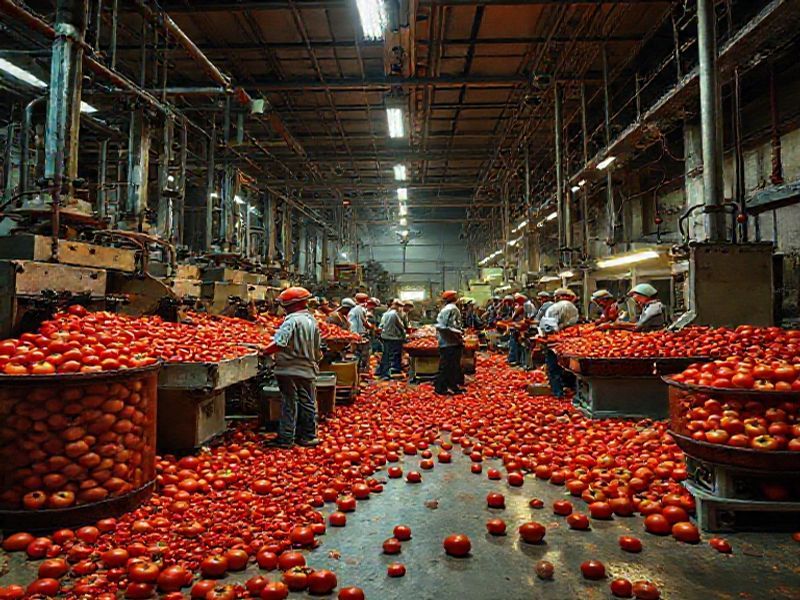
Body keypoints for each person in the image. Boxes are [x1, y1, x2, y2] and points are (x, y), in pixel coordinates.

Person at [263, 287, 322, 449]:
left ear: (290, 305)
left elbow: (280, 343)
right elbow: (318, 348)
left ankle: (286, 438)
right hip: (307, 368)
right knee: (307, 402)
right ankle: (308, 436)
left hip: (288, 368)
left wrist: (264, 350)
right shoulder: (312, 321)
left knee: (289, 403)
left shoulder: (291, 321)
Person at [540, 288, 580, 398]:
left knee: (554, 368)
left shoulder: (552, 308)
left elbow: (547, 327)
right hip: (570, 341)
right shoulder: (572, 308)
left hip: (554, 341)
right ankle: (573, 391)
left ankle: (558, 393)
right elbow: (573, 326)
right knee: (571, 368)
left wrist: (545, 338)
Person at [434, 290, 465, 396]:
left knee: (451, 365)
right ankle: (441, 388)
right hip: (450, 342)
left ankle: (451, 386)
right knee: (448, 365)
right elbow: (443, 327)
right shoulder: (452, 309)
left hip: (447, 341)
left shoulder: (446, 309)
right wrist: (457, 336)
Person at [376, 299, 407, 379]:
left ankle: (380, 371)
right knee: (391, 356)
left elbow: (381, 326)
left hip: (385, 337)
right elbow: (401, 326)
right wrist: (404, 336)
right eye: (399, 306)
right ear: (396, 306)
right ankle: (385, 374)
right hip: (393, 338)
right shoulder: (394, 314)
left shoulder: (385, 314)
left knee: (385, 354)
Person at [348, 293, 371, 371]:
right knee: (362, 355)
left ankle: (360, 371)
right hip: (359, 335)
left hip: (357, 334)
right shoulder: (358, 309)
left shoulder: (355, 309)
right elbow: (363, 322)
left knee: (359, 355)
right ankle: (360, 371)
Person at [508, 294, 527, 366]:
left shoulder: (521, 307)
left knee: (514, 344)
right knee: (516, 344)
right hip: (518, 326)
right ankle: (516, 360)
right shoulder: (518, 306)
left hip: (518, 327)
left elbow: (513, 318)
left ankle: (514, 360)